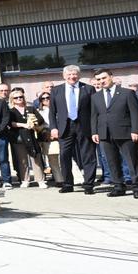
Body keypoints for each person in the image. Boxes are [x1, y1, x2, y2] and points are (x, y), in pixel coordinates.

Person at [91, 69, 138, 198]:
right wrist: (94, 132)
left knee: (132, 160)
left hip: (125, 132)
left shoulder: (127, 93)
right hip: (105, 133)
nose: (101, 81)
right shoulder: (95, 96)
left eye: (104, 78)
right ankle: (118, 186)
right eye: (98, 79)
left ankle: (137, 187)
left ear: (111, 77)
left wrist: (136, 130)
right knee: (112, 161)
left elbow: (135, 113)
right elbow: (94, 116)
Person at [50, 65, 97, 194]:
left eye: (74, 74)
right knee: (64, 156)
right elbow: (52, 112)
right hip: (65, 127)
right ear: (64, 76)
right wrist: (53, 127)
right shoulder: (56, 90)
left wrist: (95, 129)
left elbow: (94, 111)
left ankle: (89, 185)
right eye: (69, 74)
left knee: (88, 155)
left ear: (79, 75)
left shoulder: (89, 89)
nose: (72, 77)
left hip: (84, 126)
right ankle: (67, 184)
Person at [8, 88, 47, 188]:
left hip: (31, 136)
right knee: (22, 160)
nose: (19, 99)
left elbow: (40, 120)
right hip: (19, 137)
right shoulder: (11, 111)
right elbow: (10, 123)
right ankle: (25, 180)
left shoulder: (30, 108)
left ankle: (40, 180)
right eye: (16, 98)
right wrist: (24, 125)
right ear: (12, 100)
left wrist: (34, 122)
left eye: (20, 97)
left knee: (36, 157)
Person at [37, 91, 59, 183]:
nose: (46, 100)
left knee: (66, 158)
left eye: (48, 97)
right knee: (52, 159)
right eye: (43, 98)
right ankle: (59, 180)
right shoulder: (39, 111)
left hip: (59, 135)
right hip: (46, 136)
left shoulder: (59, 109)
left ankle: (77, 178)